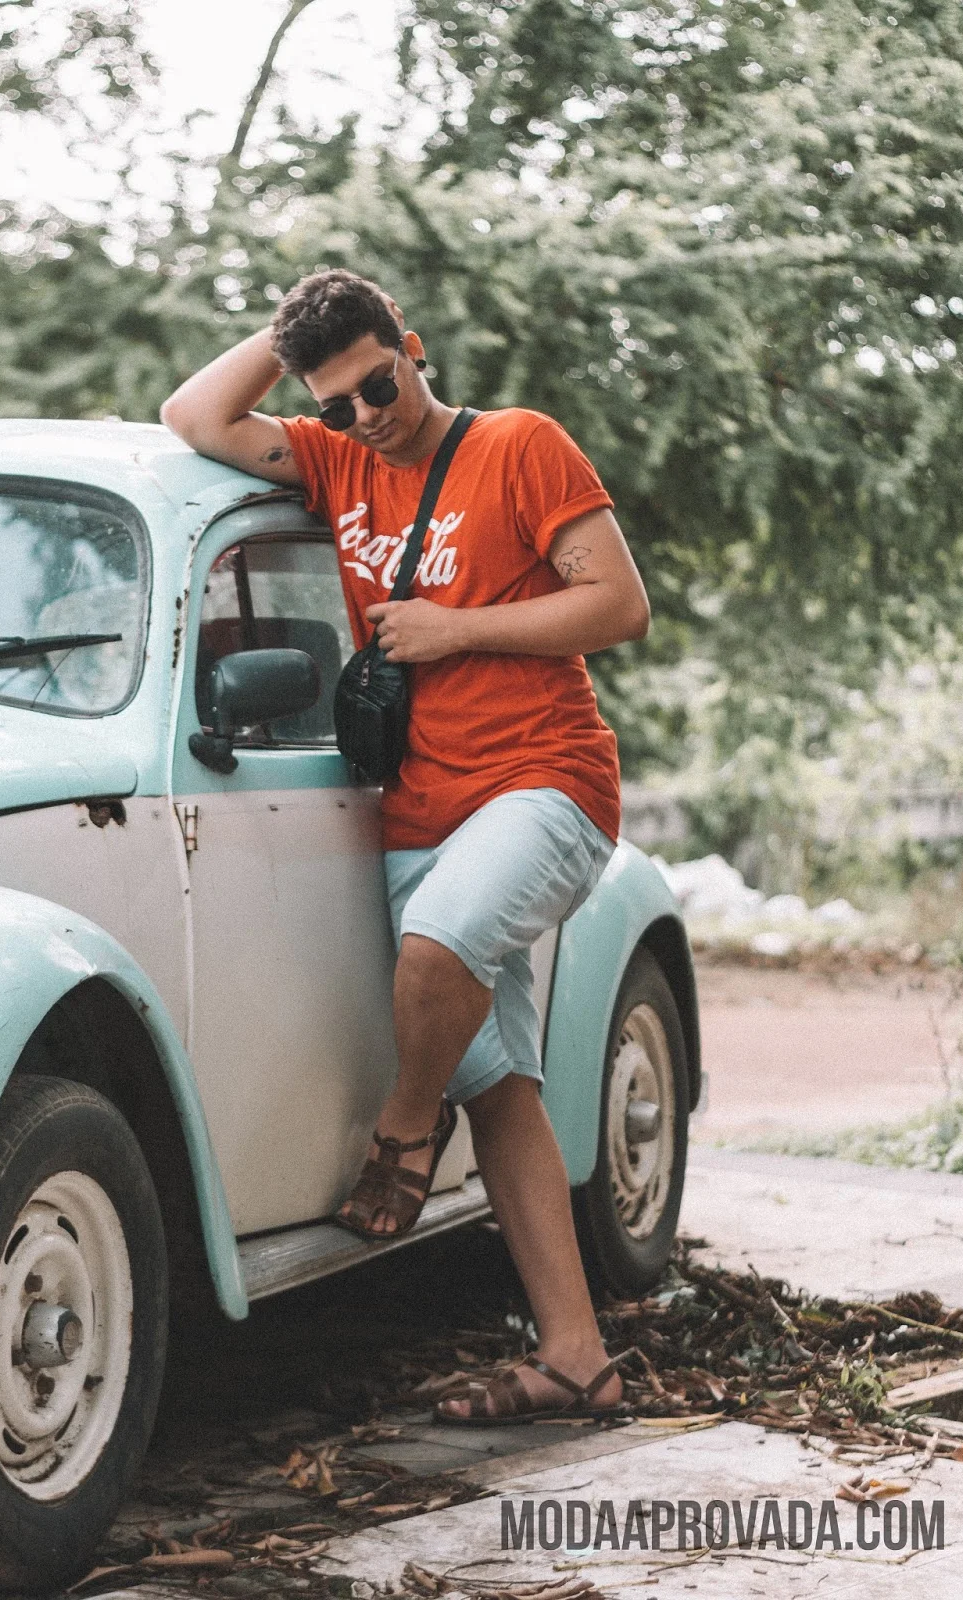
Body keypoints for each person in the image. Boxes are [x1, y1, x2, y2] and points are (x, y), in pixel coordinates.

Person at [160, 269, 650, 1423]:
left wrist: (453, 630)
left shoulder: (518, 445)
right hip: (418, 808)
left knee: (433, 955)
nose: (364, 415)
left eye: (376, 384)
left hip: (546, 784)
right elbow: (192, 419)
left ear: (411, 346)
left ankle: (398, 1132)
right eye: (335, 401)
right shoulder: (334, 460)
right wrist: (288, 340)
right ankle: (574, 1359)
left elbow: (619, 605)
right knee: (500, 1082)